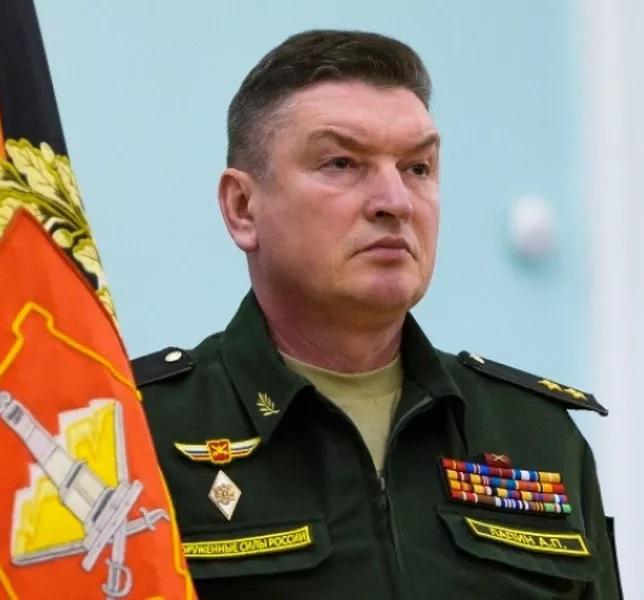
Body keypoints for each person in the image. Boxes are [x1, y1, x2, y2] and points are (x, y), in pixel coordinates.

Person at [132, 30, 622, 599]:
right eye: (342, 163)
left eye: (418, 168)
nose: (396, 201)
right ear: (243, 207)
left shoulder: (536, 435)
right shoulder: (141, 431)